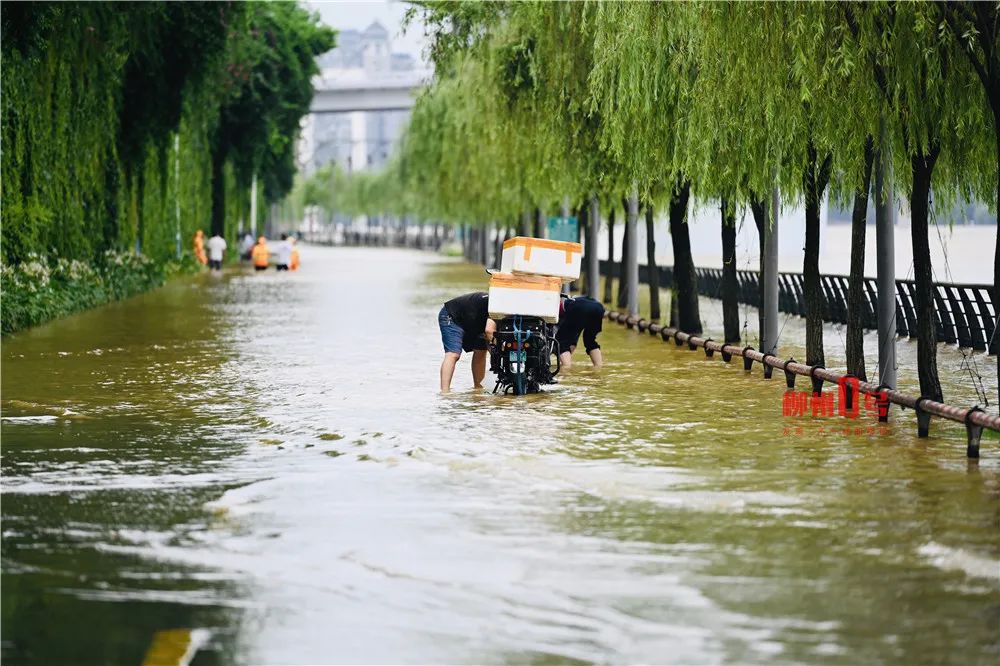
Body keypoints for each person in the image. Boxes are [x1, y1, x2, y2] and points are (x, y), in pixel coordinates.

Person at [438, 292, 497, 392]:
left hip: (475, 320)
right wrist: (498, 352)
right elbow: (489, 331)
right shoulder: (496, 306)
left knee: (481, 351)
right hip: (452, 316)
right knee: (453, 354)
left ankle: (478, 389)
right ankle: (445, 392)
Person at [556, 294, 605, 368]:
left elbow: (567, 335)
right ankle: (598, 368)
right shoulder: (576, 299)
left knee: (561, 343)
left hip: (579, 308)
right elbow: (574, 337)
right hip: (599, 308)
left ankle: (566, 369)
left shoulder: (560, 307)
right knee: (590, 341)